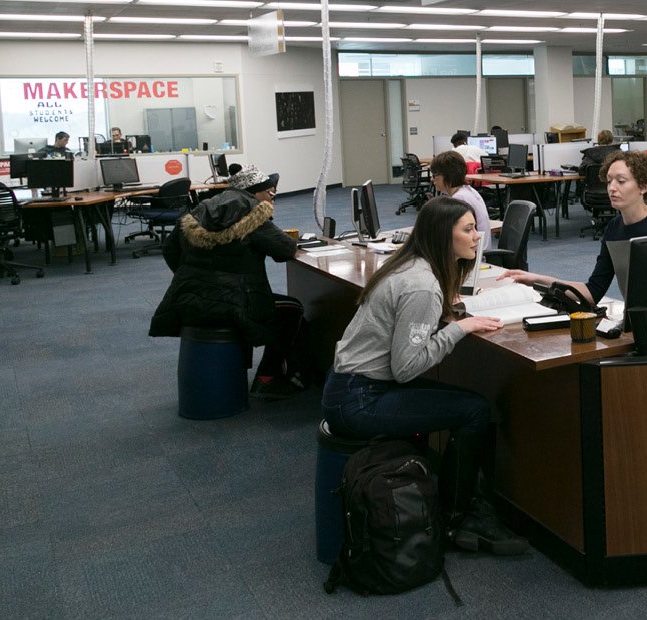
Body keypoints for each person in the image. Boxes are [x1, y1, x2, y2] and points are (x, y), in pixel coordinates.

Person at [320, 196, 528, 556]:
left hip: (348, 387)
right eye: (468, 229)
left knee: (461, 402)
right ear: (441, 236)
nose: (478, 236)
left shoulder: (412, 266)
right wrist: (458, 329)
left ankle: (457, 504)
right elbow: (406, 369)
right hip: (358, 400)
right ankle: (455, 516)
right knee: (474, 410)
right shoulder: (421, 286)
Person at [149, 165, 308, 400]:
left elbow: (170, 249)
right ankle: (271, 380)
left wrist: (194, 279)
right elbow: (285, 249)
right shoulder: (253, 212)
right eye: (268, 192)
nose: (272, 196)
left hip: (186, 298)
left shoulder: (201, 209)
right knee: (292, 310)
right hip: (235, 304)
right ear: (254, 192)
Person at [502, 150, 647, 305]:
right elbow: (592, 292)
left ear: (643, 186)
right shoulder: (614, 229)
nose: (612, 188)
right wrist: (536, 279)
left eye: (621, 181)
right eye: (609, 181)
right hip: (639, 319)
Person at [428, 151, 491, 251]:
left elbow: (448, 235)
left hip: (472, 256)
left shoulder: (459, 199)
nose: (432, 179)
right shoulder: (468, 191)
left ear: (447, 176)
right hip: (475, 250)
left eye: (434, 175)